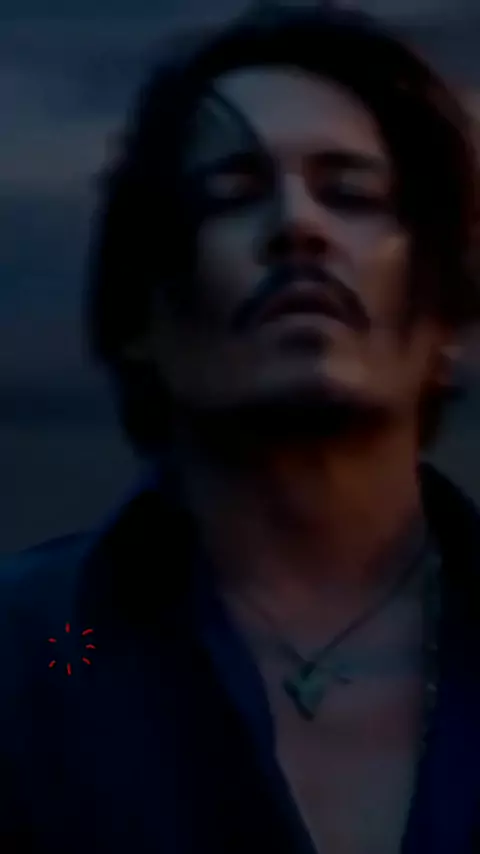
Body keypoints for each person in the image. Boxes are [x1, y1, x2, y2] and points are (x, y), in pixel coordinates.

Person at [1, 6, 479, 854]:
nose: (298, 227)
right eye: (231, 194)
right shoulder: (38, 648)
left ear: (446, 320)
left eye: (353, 194)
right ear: (142, 316)